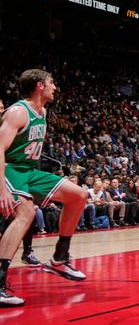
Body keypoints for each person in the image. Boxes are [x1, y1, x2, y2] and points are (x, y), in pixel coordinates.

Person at [0, 69, 91, 306]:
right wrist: (2, 188)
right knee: (26, 214)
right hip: (11, 168)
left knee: (79, 195)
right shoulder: (19, 111)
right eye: (52, 82)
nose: (55, 87)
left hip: (30, 170)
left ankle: (59, 258)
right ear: (39, 85)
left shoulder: (43, 111)